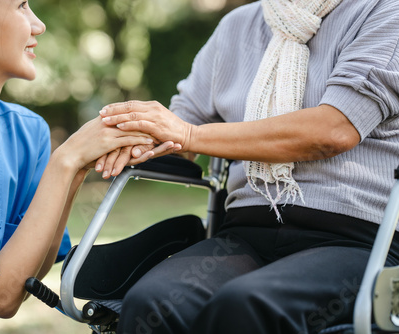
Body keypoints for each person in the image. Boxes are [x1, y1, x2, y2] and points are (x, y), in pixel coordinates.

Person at [96, 0, 399, 333]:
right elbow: (178, 126)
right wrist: (128, 140)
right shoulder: (237, 26)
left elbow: (333, 130)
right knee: (153, 304)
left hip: (358, 240)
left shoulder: (385, 12)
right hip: (246, 233)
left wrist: (188, 135)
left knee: (246, 307)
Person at [0, 1, 172, 333]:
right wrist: (64, 161)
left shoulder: (26, 133)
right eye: (21, 6)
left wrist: (78, 168)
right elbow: (0, 298)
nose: (38, 25)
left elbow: (28, 276)